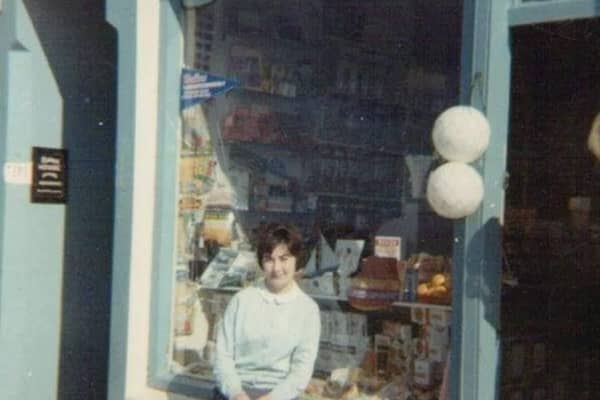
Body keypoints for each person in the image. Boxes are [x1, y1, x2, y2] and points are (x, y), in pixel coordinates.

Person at [214, 223, 321, 400]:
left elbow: (301, 370)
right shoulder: (241, 300)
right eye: (269, 259)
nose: (277, 268)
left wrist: (272, 398)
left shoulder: (307, 310)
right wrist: (236, 394)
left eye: (284, 259)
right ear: (261, 262)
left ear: (296, 259)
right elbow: (222, 356)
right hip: (235, 392)